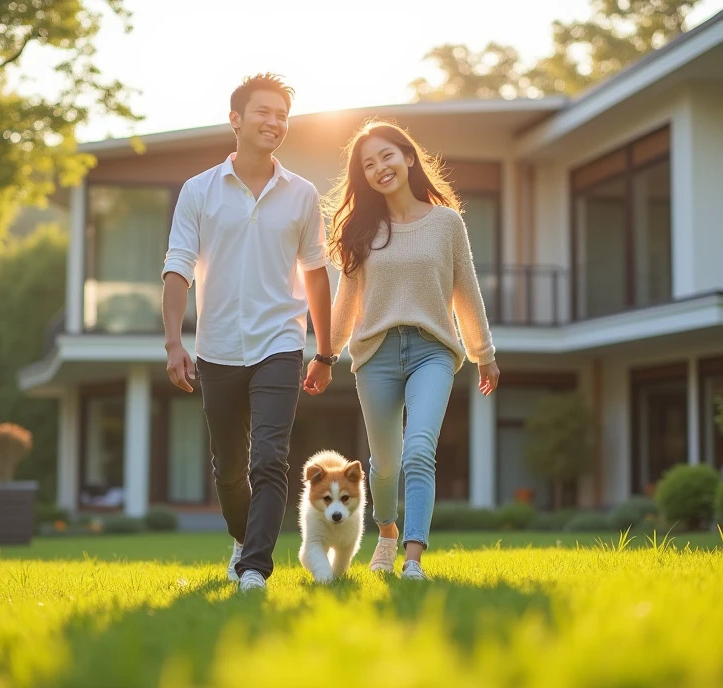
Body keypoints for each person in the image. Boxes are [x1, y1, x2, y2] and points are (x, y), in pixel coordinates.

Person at [161, 74, 334, 593]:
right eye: (264, 112)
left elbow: (316, 274)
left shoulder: (302, 195)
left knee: (271, 458)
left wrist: (323, 352)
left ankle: (255, 567)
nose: (274, 123)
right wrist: (174, 342)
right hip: (216, 347)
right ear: (235, 119)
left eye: (282, 115)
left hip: (281, 342)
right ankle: (242, 538)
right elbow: (177, 267)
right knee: (229, 467)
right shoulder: (199, 191)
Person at [326, 120, 500, 580]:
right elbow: (346, 301)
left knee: (419, 449)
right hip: (376, 353)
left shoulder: (446, 223)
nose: (380, 168)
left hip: (432, 350)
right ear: (363, 177)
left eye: (386, 156)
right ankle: (386, 533)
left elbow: (466, 289)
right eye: (368, 164)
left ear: (407, 157)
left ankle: (413, 559)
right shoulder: (362, 230)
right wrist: (325, 354)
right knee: (383, 465)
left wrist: (484, 351)